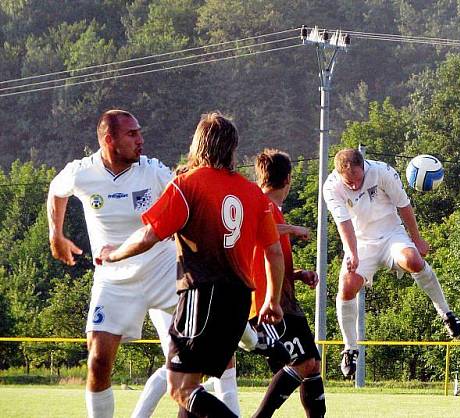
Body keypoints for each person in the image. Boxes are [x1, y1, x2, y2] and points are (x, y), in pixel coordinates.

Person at [97, 112, 285, 417]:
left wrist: (113, 254)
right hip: (238, 301)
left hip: (203, 295)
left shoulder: (188, 184)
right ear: (232, 148)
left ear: (199, 144)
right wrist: (272, 301)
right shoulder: (253, 192)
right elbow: (273, 253)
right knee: (192, 387)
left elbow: (149, 235)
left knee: (180, 387)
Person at [47, 109, 181, 418]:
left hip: (162, 268)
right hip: (114, 278)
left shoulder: (153, 170)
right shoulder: (82, 172)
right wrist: (56, 234)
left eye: (139, 132)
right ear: (110, 140)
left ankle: (248, 338)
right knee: (98, 360)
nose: (140, 140)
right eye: (132, 134)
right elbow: (56, 191)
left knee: (193, 354)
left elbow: (185, 200)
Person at [323, 148, 460, 378]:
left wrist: (417, 239)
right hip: (361, 243)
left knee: (413, 260)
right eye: (349, 183)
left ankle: (446, 313)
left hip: (391, 235)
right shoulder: (331, 186)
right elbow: (343, 223)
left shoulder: (382, 171)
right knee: (347, 286)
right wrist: (351, 252)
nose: (355, 186)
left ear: (364, 167)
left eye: (357, 179)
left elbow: (403, 205)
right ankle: (350, 348)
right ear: (340, 175)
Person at [250, 149, 326, 418]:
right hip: (267, 304)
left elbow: (267, 260)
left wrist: (297, 274)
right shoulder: (260, 204)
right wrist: (293, 229)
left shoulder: (272, 209)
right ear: (288, 179)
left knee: (313, 364)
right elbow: (257, 228)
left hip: (286, 301)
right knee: (304, 363)